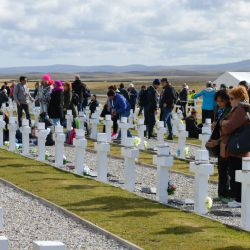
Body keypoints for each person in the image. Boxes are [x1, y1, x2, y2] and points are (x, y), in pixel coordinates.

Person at [220, 86, 250, 208]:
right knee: (237, 173)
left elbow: (229, 126)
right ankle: (240, 198)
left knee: (236, 173)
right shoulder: (243, 108)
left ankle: (239, 200)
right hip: (240, 146)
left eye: (232, 98)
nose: (230, 101)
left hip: (237, 147)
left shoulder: (240, 109)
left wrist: (222, 123)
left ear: (239, 98)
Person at [206, 90, 231, 201]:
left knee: (226, 170)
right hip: (219, 143)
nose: (219, 103)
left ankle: (227, 194)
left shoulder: (230, 111)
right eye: (217, 101)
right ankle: (221, 193)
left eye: (221, 101)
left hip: (225, 143)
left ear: (227, 100)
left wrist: (217, 141)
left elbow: (229, 131)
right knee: (221, 169)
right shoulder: (221, 110)